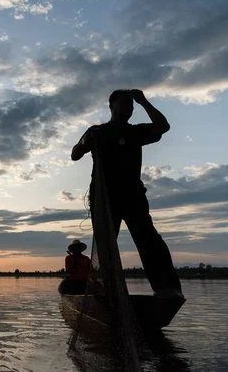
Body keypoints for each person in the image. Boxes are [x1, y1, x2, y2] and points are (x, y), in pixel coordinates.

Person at [71, 89, 183, 299]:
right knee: (106, 245)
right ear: (111, 106)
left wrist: (143, 101)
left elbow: (163, 126)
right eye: (124, 104)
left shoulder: (136, 132)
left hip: (133, 196)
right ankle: (108, 291)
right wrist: (85, 141)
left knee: (148, 239)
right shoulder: (97, 132)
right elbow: (74, 154)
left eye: (131, 106)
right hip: (104, 200)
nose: (128, 109)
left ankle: (166, 288)